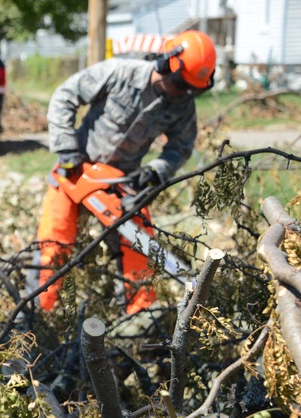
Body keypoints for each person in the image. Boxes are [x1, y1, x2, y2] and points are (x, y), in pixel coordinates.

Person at [32, 29, 217, 314]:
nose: (184, 90)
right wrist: (66, 148)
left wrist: (156, 171)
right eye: (181, 82)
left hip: (121, 182)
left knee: (140, 246)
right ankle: (37, 316)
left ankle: (140, 320)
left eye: (192, 87)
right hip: (75, 169)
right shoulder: (120, 73)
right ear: (166, 62)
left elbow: (181, 147)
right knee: (53, 243)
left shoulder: (182, 104)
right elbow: (64, 96)